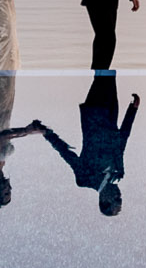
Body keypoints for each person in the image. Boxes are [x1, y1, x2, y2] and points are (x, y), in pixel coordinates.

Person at [37, 74, 140, 216]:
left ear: (104, 199)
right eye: (120, 198)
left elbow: (66, 154)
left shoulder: (84, 178)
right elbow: (122, 141)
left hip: (94, 113)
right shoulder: (118, 173)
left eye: (117, 199)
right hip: (111, 113)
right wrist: (132, 111)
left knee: (103, 71)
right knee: (108, 73)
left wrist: (46, 133)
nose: (119, 194)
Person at [0, 71, 42, 209]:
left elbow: (1, 136)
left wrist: (27, 131)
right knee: (3, 74)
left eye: (6, 192)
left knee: (5, 74)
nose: (10, 188)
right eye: (9, 192)